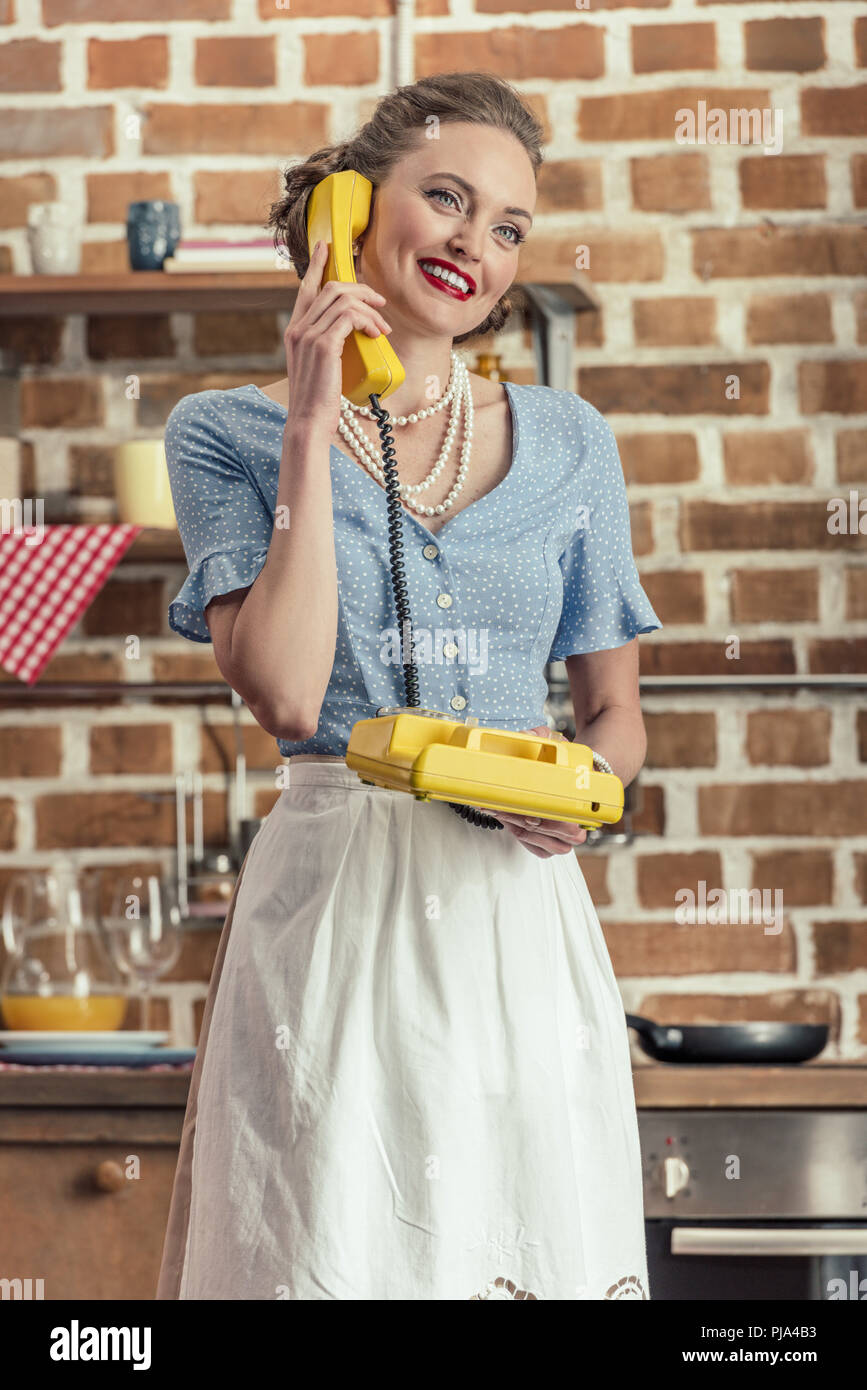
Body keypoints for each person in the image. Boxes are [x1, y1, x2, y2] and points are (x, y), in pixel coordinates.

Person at [156, 71, 662, 1301]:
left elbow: (616, 715)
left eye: (508, 229)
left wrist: (593, 791)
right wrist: (313, 422)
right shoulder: (222, 430)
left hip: (516, 926)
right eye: (447, 199)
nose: (474, 248)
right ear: (352, 205)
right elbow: (283, 691)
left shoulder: (572, 444)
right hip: (336, 920)